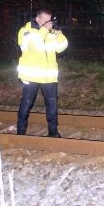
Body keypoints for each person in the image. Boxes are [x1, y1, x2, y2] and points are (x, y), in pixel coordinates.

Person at [16, 8, 68, 137]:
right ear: (37, 18)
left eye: (49, 21)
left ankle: (53, 131)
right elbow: (33, 44)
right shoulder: (26, 31)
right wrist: (44, 30)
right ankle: (21, 131)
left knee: (52, 106)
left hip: (49, 77)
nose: (48, 23)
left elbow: (61, 48)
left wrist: (59, 35)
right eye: (45, 21)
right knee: (26, 104)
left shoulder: (49, 32)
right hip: (31, 76)